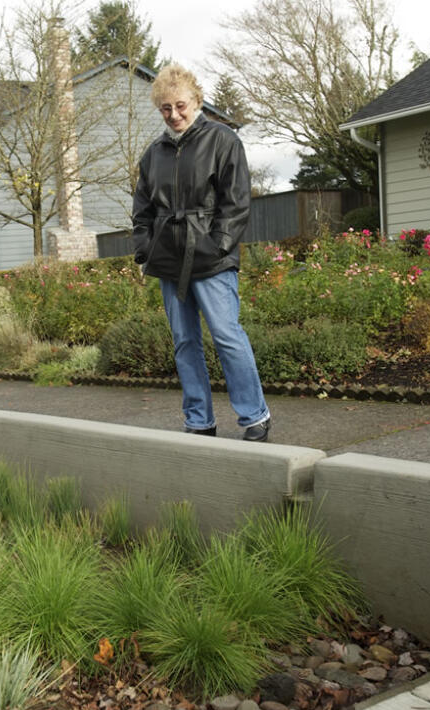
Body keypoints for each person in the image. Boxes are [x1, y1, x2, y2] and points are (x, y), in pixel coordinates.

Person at [132, 64, 271, 442]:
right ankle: (198, 420)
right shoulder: (153, 154)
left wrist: (216, 246)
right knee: (185, 342)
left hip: (211, 259)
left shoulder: (223, 141)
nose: (174, 115)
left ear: (197, 101)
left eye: (180, 105)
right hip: (169, 261)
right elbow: (142, 209)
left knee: (227, 336)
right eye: (165, 108)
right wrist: (145, 247)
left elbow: (236, 202)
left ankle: (254, 415)